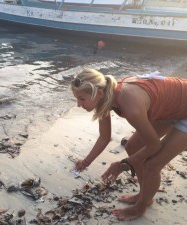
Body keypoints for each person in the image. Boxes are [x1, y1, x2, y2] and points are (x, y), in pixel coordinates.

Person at [70, 67, 187, 221]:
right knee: (132, 147)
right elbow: (104, 137)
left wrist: (123, 164)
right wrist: (85, 162)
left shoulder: (131, 107)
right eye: (77, 99)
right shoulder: (105, 95)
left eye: (82, 99)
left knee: (152, 165)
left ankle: (140, 208)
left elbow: (154, 146)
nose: (78, 104)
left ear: (98, 93)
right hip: (171, 108)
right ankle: (145, 195)